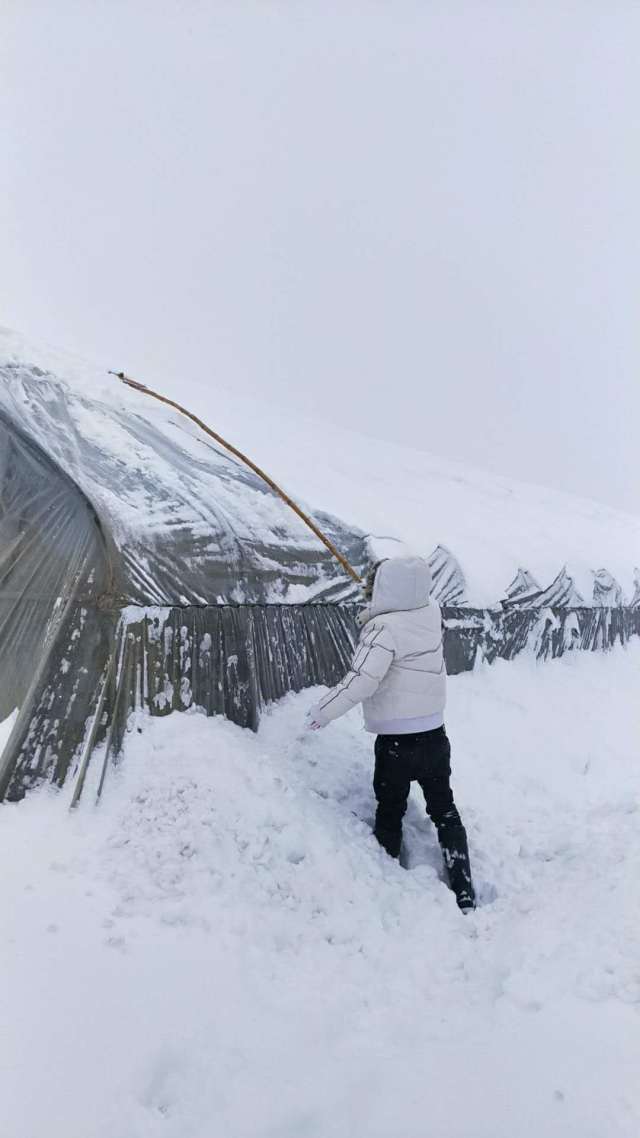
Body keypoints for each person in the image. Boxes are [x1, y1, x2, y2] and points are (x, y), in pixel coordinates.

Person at [307, 555, 476, 912]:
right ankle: (464, 890)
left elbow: (363, 680)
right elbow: (402, 612)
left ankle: (386, 881)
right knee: (445, 811)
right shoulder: (430, 613)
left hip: (396, 744)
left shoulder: (382, 630)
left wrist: (322, 712)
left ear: (384, 588)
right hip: (434, 735)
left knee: (390, 810)